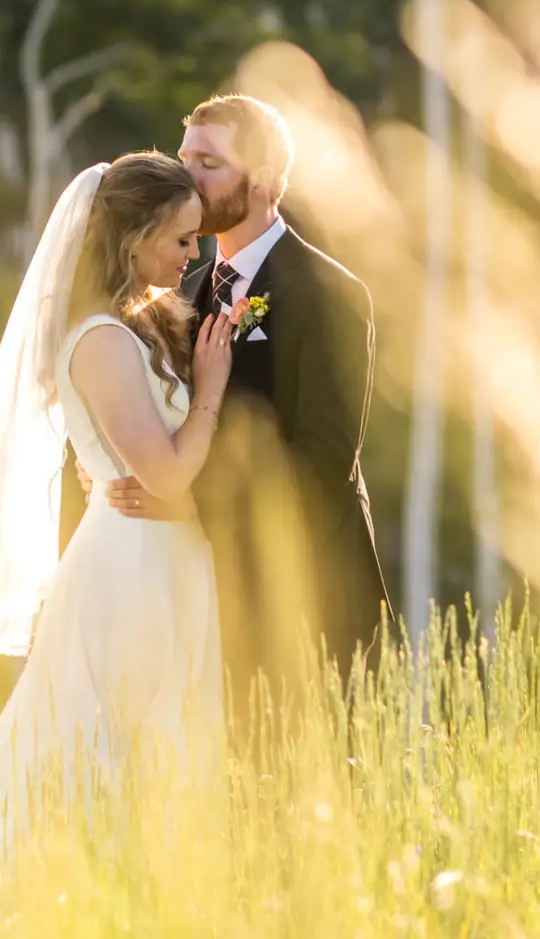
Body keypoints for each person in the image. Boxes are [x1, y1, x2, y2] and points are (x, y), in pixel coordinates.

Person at [0, 153, 235, 861]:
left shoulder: (135, 328)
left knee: (147, 740)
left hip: (162, 554)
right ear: (134, 236)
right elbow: (170, 474)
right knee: (98, 742)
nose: (191, 254)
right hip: (129, 567)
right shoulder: (101, 340)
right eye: (180, 238)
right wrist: (209, 386)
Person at [92, 95, 391, 708]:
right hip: (204, 592)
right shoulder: (182, 289)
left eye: (209, 164)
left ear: (262, 181)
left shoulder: (329, 291)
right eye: (184, 158)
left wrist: (188, 503)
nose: (186, 178)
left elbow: (323, 457)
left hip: (310, 587)